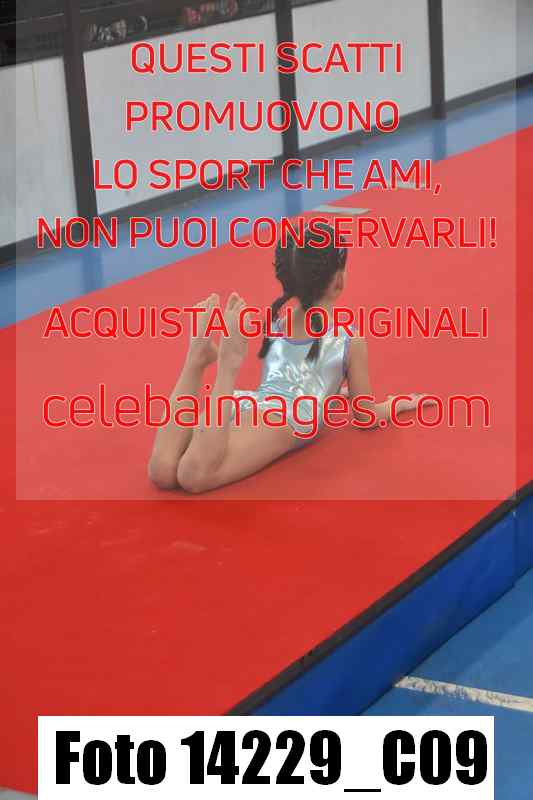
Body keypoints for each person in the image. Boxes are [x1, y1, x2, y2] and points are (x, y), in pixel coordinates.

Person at [148, 223, 431, 493]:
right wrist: (396, 404)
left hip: (244, 402)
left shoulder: (278, 322)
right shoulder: (348, 340)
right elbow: (365, 415)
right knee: (193, 475)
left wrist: (332, 392)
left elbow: (299, 372)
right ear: (339, 280)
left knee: (162, 470)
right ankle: (227, 365)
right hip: (284, 420)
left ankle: (195, 362)